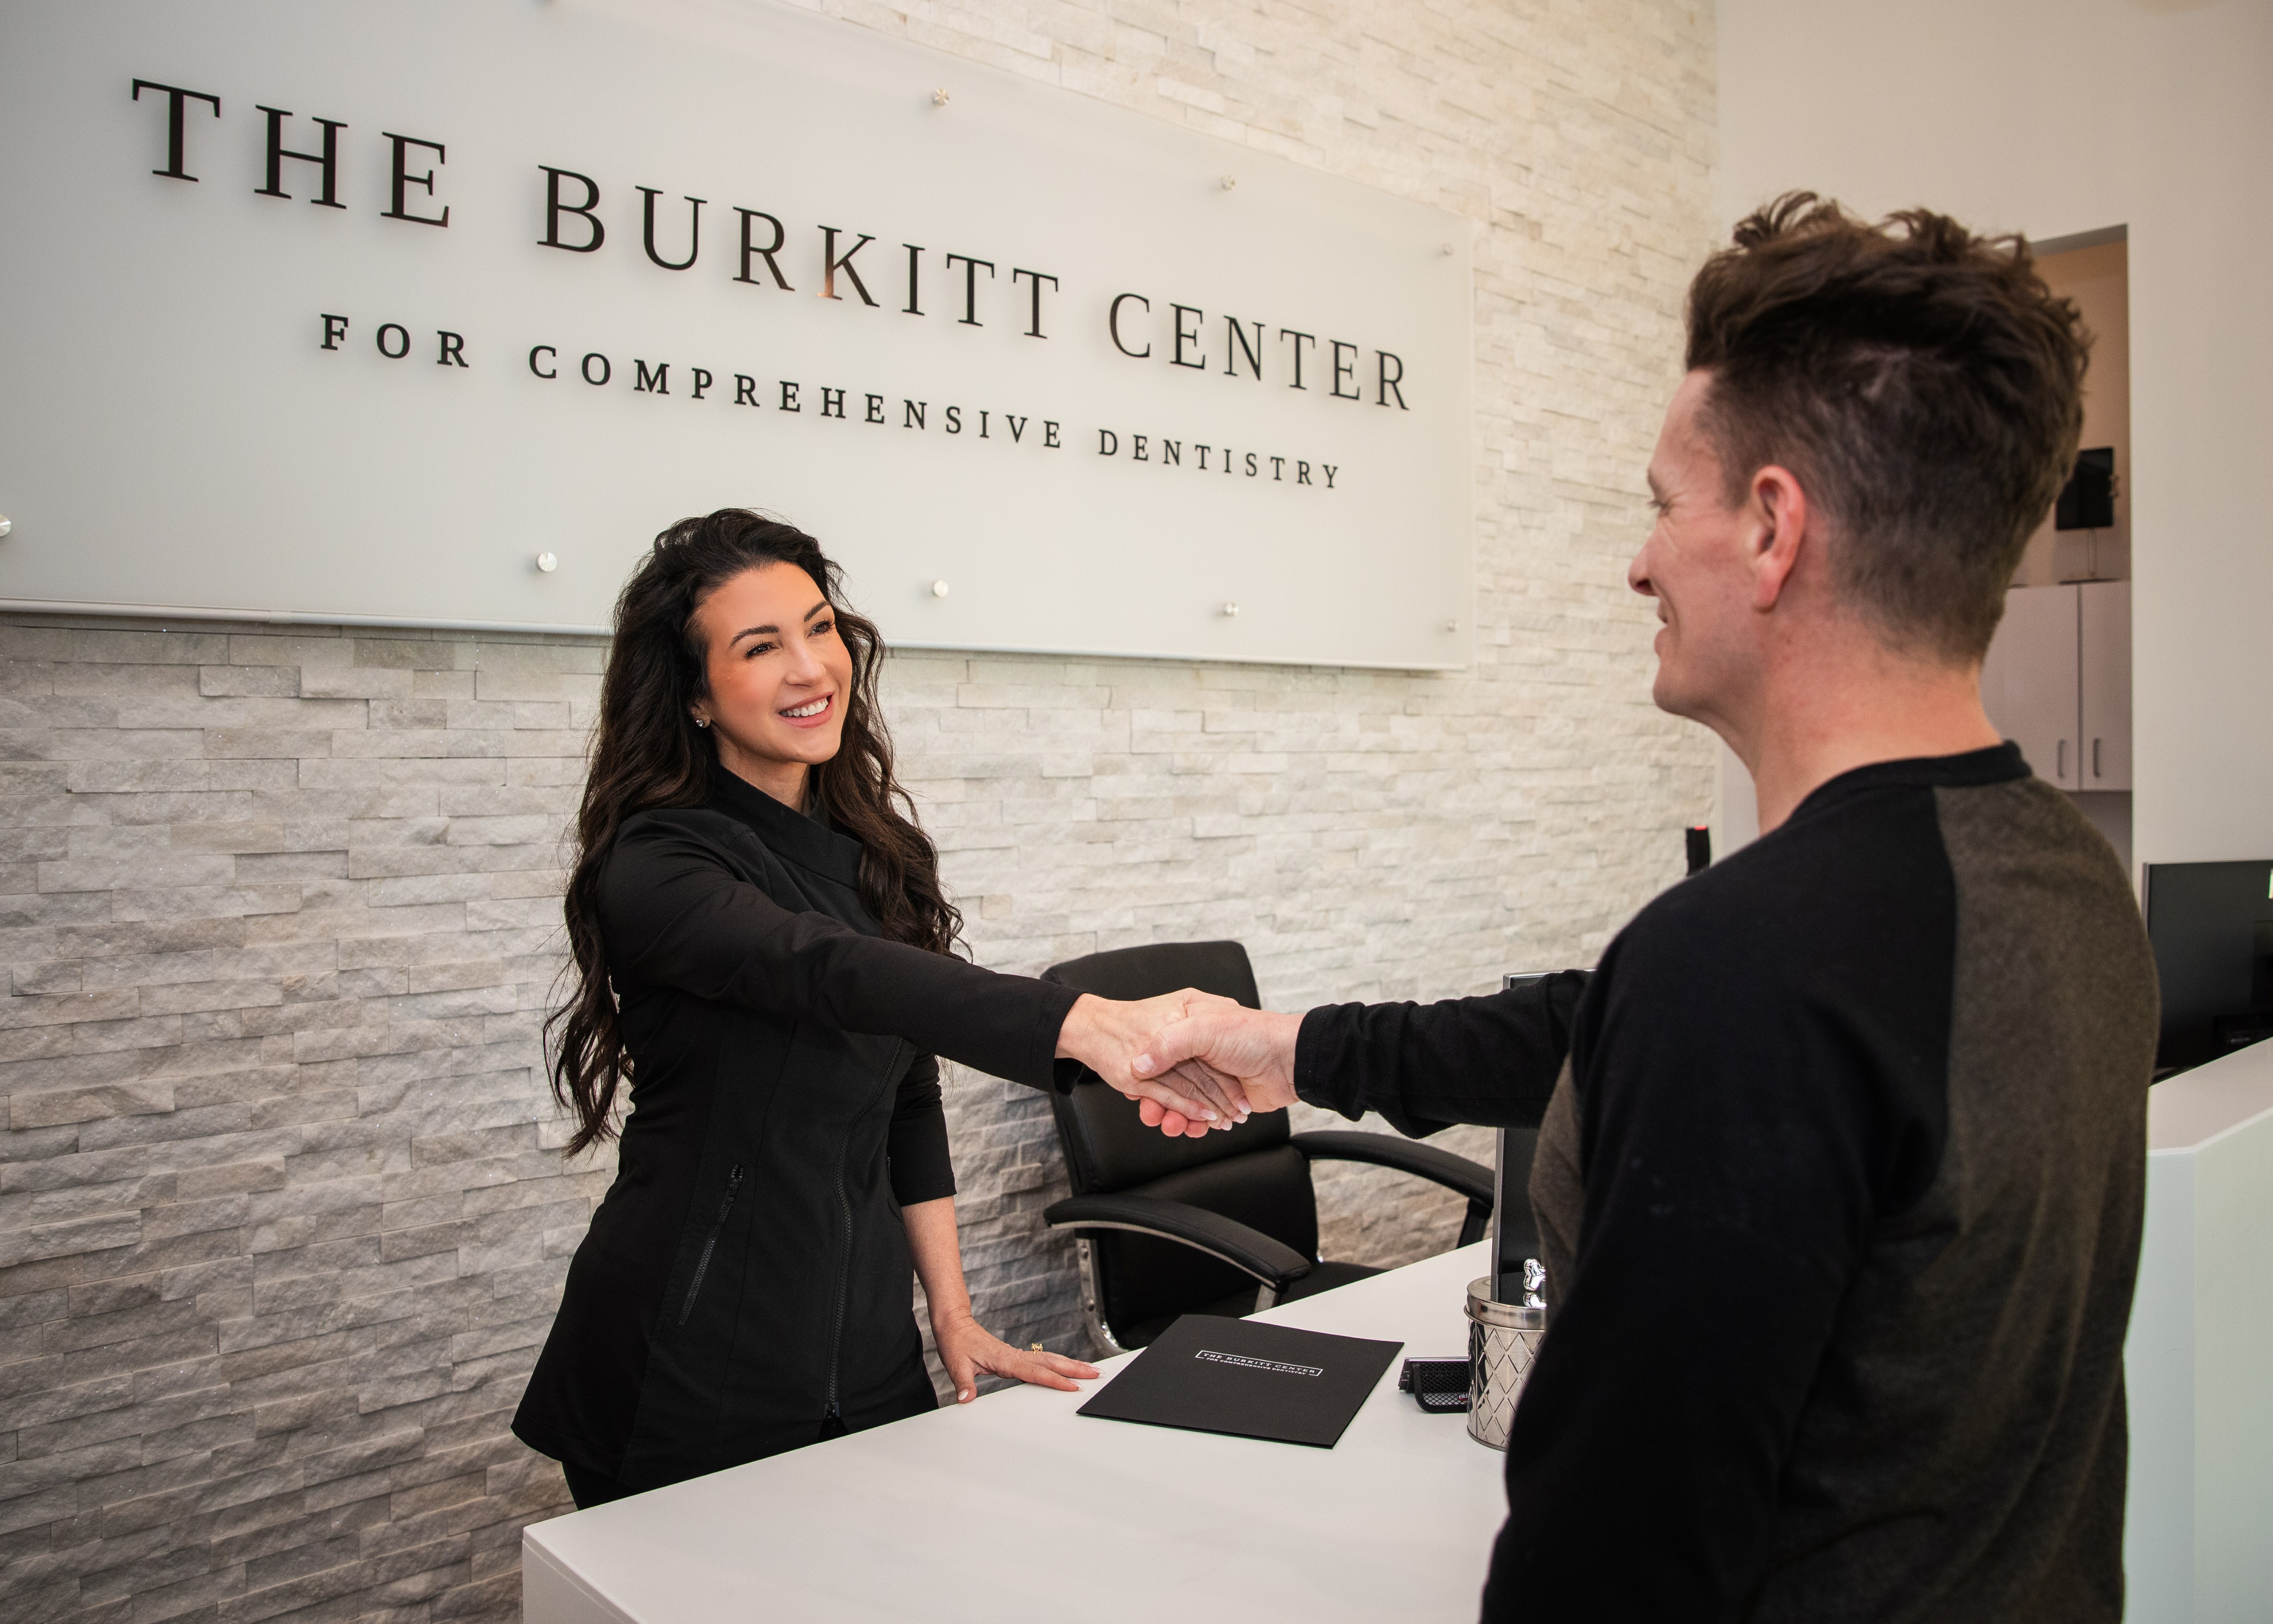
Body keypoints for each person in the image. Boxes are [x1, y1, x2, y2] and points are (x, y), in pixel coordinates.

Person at [1125, 197, 2157, 1621]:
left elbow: (1612, 1571)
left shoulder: (1751, 969)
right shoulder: (2063, 881)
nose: (1639, 562)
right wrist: (1291, 1049)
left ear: (1773, 528)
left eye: (1663, 504)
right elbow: (1613, 1030)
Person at [512, 510, 1244, 1508]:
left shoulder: (877, 855)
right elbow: (830, 969)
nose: (810, 668)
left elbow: (908, 1093)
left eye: (819, 628)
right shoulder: (657, 865)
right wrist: (1083, 1025)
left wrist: (952, 1312)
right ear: (693, 693)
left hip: (863, 1345)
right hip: (680, 1357)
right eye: (760, 646)